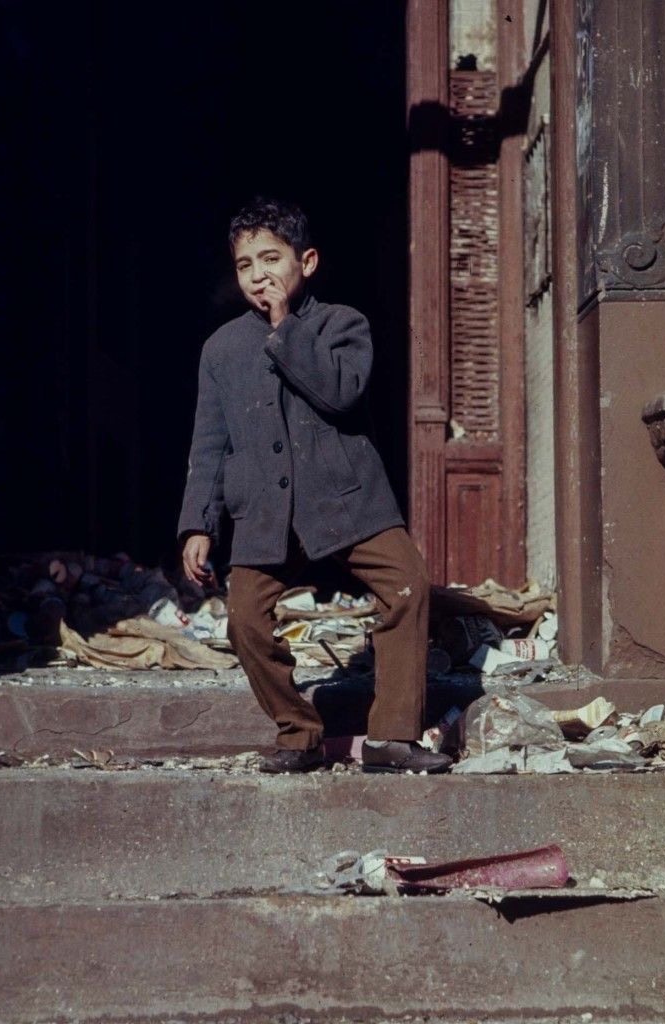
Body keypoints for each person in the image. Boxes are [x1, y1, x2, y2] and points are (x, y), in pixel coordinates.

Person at [178, 197, 452, 775]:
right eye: (245, 264)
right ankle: (298, 733)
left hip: (345, 498)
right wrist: (198, 524)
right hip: (263, 510)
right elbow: (209, 443)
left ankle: (391, 736)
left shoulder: (342, 325)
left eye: (271, 259)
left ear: (306, 262)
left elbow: (340, 392)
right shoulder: (220, 350)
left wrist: (285, 329)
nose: (258, 275)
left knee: (408, 585)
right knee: (244, 619)